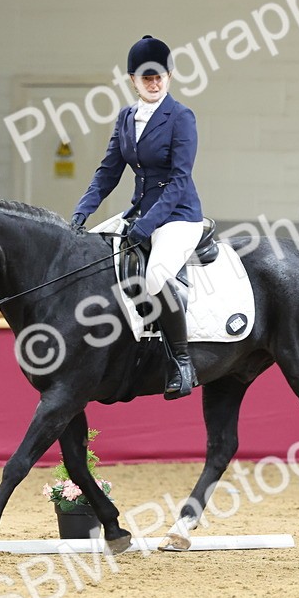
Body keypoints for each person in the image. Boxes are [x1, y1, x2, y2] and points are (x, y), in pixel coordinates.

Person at [71, 35, 204, 400]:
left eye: (160, 76)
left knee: (157, 276)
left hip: (178, 216)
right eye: (147, 77)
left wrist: (147, 225)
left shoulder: (181, 117)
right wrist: (82, 211)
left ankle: (182, 362)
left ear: (169, 76)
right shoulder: (126, 118)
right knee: (88, 257)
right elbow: (108, 172)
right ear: (132, 79)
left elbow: (179, 180)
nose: (154, 82)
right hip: (140, 213)